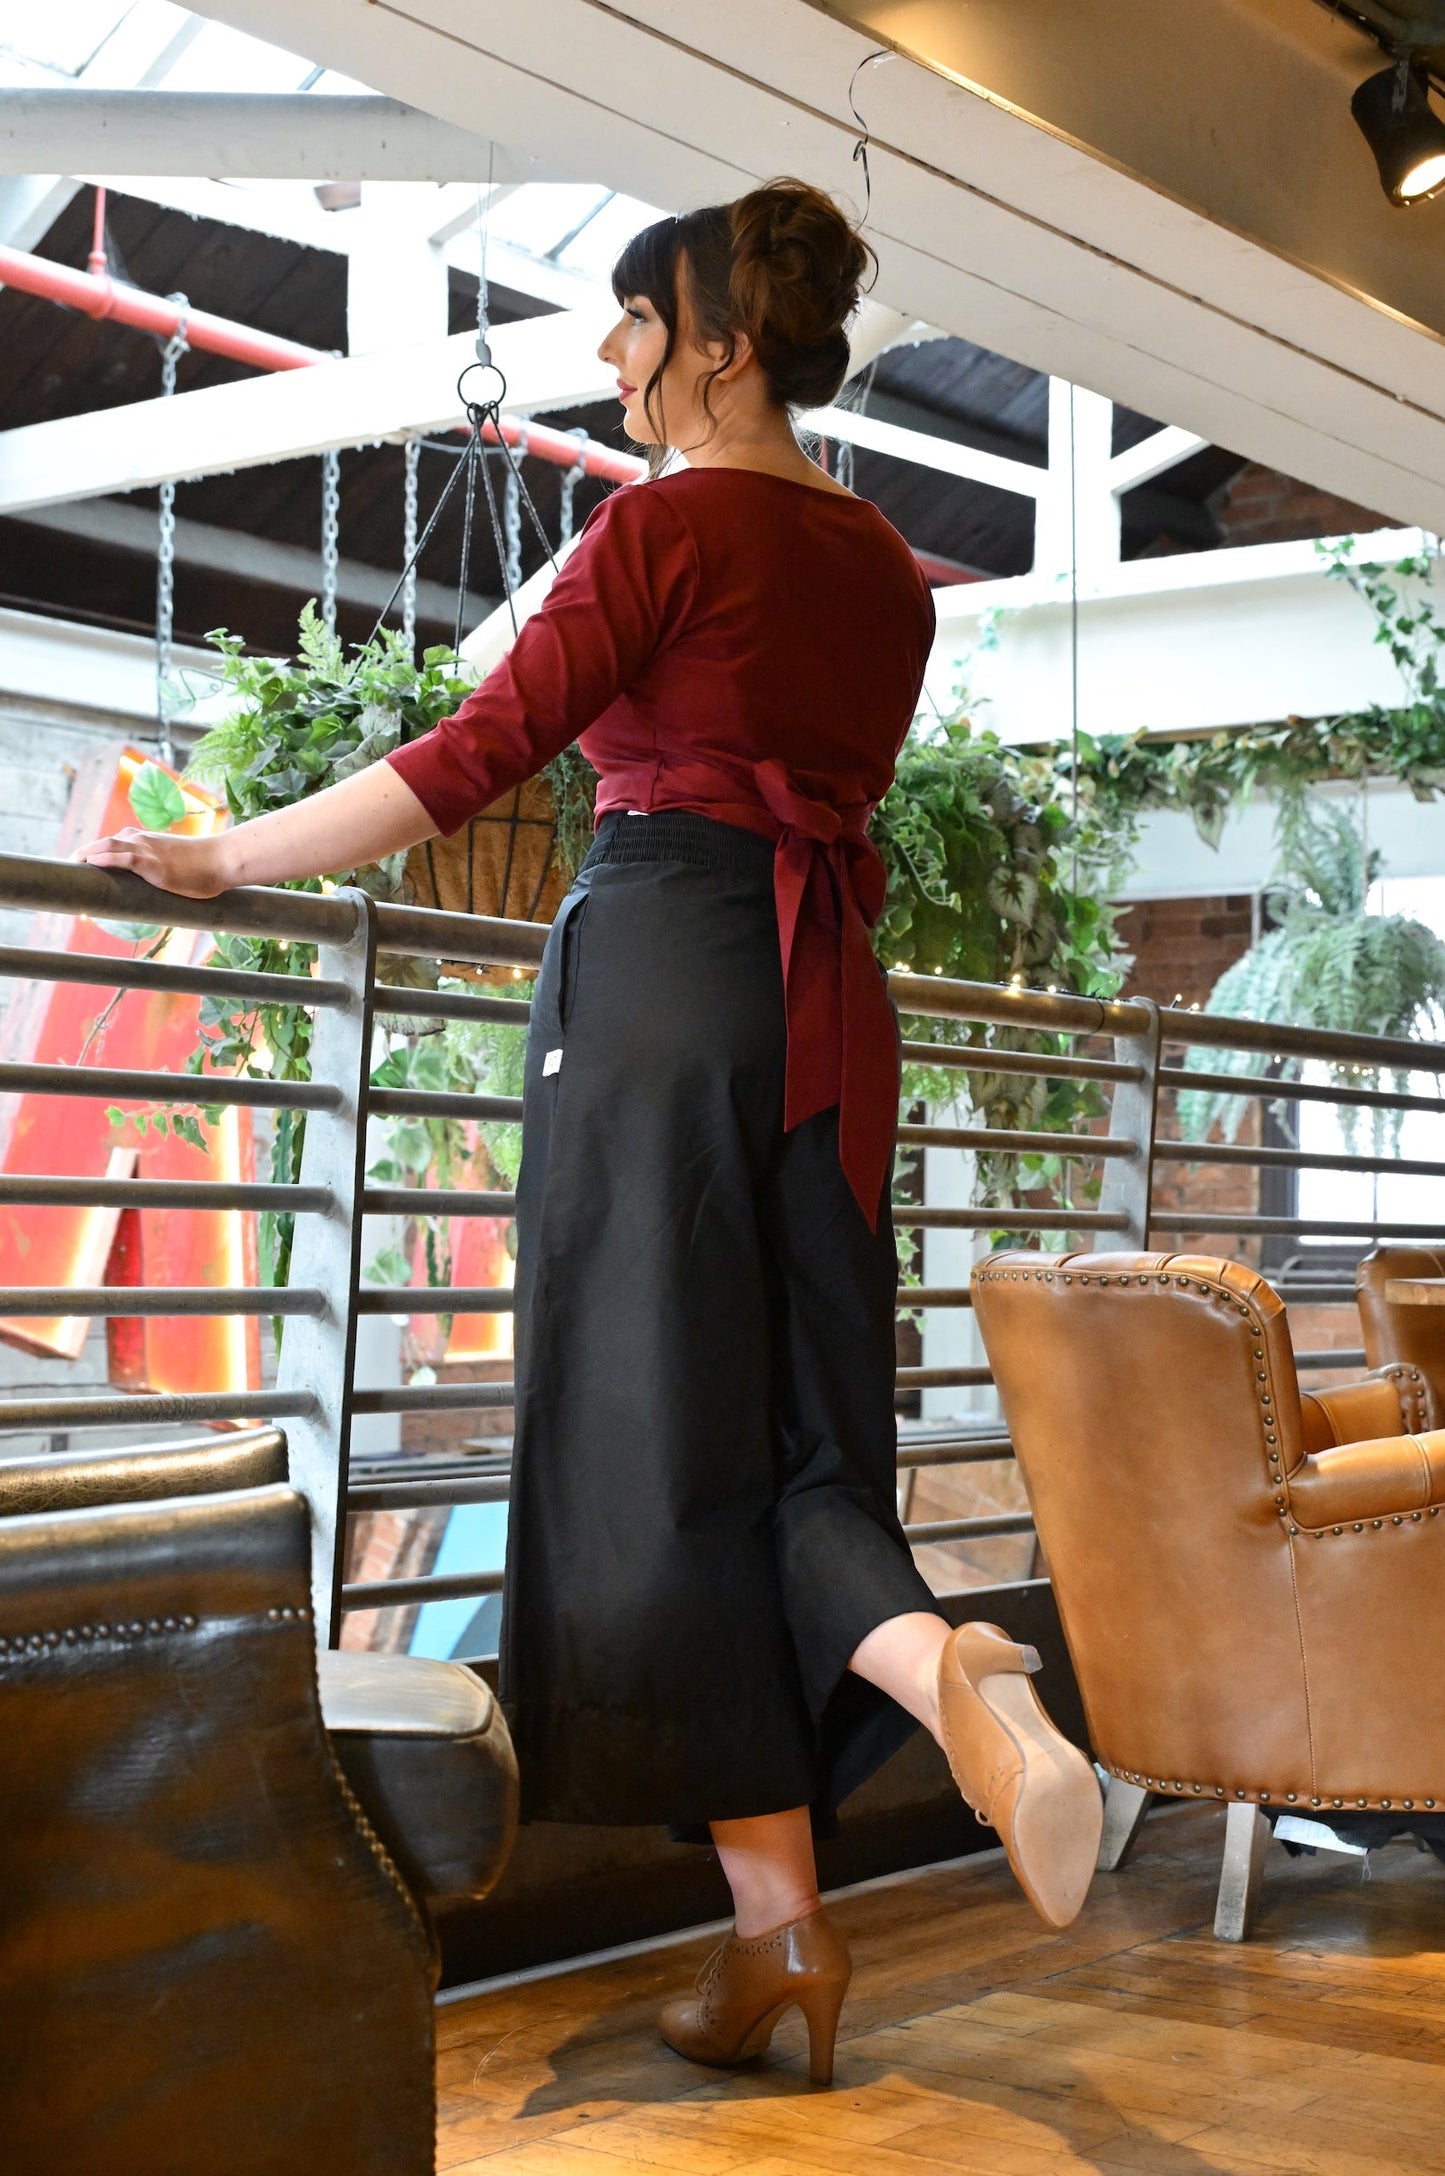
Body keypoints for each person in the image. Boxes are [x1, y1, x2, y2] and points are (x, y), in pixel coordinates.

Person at [81, 176, 1102, 2086]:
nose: (614, 355)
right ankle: (796, 1919)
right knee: (790, 1438)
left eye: (636, 321)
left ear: (717, 338)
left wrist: (216, 856)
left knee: (645, 1459)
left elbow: (467, 760)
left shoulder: (661, 530)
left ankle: (938, 1685)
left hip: (655, 994)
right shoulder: (886, 566)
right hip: (822, 1016)